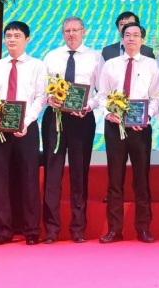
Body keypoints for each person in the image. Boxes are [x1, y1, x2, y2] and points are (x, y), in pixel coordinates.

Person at [94, 22, 159, 244]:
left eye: (136, 35)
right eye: (127, 35)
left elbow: (156, 97)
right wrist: (107, 113)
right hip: (115, 128)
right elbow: (102, 95)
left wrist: (148, 116)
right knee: (115, 180)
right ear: (122, 39)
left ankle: (143, 228)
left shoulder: (152, 65)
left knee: (141, 179)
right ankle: (114, 229)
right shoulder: (110, 65)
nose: (131, 38)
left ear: (143, 40)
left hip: (140, 129)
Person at [0, 21, 46, 245]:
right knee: (1, 179)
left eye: (17, 36)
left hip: (27, 128)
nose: (11, 39)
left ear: (27, 40)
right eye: (8, 35)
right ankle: (4, 230)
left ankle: (31, 230)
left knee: (29, 178)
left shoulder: (37, 66)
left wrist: (25, 121)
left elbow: (41, 98)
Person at [41, 16, 104, 243]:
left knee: (79, 173)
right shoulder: (51, 56)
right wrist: (49, 98)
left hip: (82, 119)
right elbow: (42, 88)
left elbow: (102, 91)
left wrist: (89, 105)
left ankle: (78, 228)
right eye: (67, 31)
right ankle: (51, 229)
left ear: (83, 32)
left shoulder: (95, 57)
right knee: (52, 173)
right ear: (62, 33)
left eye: (75, 30)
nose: (71, 34)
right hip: (54, 118)